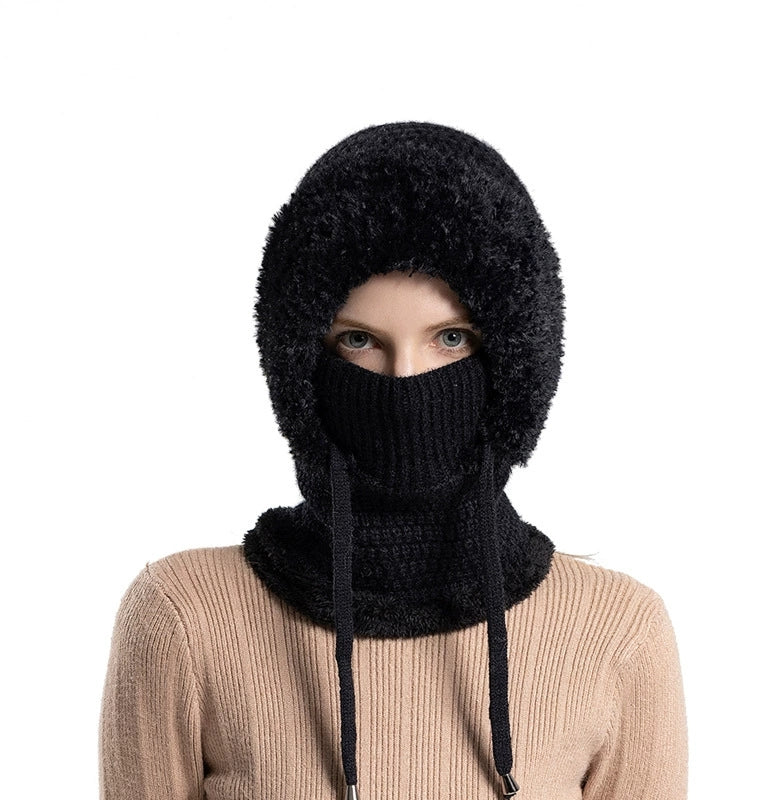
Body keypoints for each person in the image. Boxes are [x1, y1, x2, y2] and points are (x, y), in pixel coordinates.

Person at [98, 121, 688, 799]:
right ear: (299, 364)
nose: (405, 380)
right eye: (359, 340)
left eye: (450, 338)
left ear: (516, 362)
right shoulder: (183, 616)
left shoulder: (618, 633)